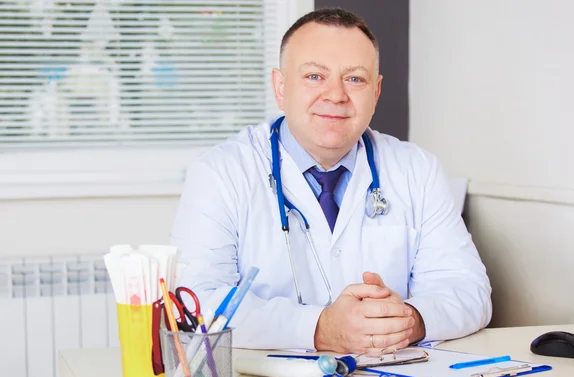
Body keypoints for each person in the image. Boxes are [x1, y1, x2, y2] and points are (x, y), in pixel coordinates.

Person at [171, 8, 492, 354]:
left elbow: (468, 288)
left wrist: (407, 321)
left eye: (354, 79)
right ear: (280, 87)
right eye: (314, 76)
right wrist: (320, 329)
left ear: (376, 92)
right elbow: (196, 302)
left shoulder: (417, 169)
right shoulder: (221, 173)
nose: (336, 95)